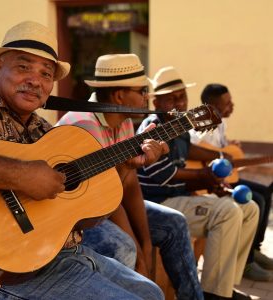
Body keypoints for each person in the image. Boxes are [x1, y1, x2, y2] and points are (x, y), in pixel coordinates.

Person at [0, 21, 166, 300]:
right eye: (23, 67)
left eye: (46, 73)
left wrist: (124, 167)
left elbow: (88, 217)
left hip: (58, 256)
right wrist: (20, 175)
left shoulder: (45, 132)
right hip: (0, 274)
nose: (35, 80)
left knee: (152, 293)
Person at [57, 54, 204, 300]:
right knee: (122, 247)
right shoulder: (85, 126)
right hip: (74, 219)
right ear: (119, 96)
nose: (147, 97)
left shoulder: (124, 122)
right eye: (142, 91)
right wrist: (137, 248)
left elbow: (129, 184)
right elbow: (107, 199)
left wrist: (145, 244)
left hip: (105, 203)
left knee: (175, 223)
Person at [137, 66, 260, 300]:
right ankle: (214, 293)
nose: (180, 102)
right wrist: (202, 177)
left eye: (182, 96)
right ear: (157, 102)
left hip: (179, 197)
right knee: (227, 211)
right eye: (171, 98)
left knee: (250, 209)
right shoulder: (153, 126)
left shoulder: (179, 125)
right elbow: (162, 174)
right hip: (159, 202)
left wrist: (215, 170)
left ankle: (225, 286)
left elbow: (189, 150)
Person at [190, 83, 273, 281]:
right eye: (227, 103)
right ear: (213, 106)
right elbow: (201, 153)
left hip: (225, 176)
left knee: (265, 191)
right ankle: (246, 263)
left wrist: (229, 146)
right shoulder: (202, 127)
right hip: (210, 182)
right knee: (258, 200)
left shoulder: (220, 122)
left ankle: (253, 248)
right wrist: (225, 154)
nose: (232, 106)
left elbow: (223, 152)